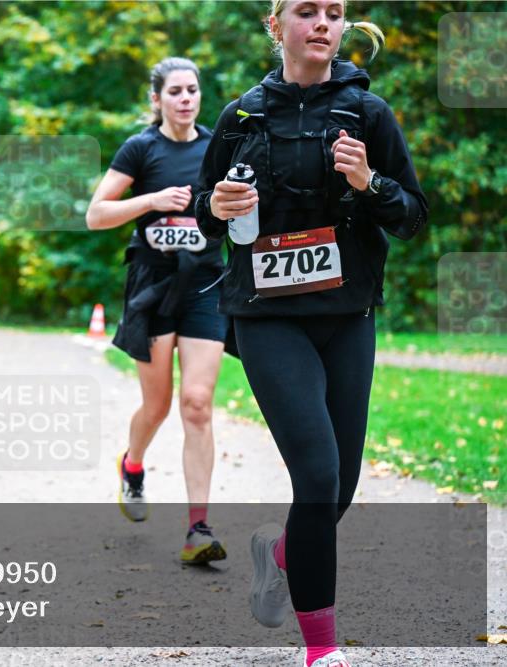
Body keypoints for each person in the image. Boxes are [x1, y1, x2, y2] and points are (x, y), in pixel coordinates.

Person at [194, 2, 427, 665]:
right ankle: (322, 651)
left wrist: (368, 182)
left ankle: (281, 554)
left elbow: (413, 217)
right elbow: (204, 216)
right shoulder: (241, 117)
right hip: (267, 317)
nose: (323, 23)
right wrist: (216, 206)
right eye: (307, 11)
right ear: (277, 26)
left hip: (347, 316)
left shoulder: (369, 115)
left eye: (334, 12)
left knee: (338, 489)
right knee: (318, 474)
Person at [86, 57, 230, 564]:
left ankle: (198, 529)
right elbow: (96, 214)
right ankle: (132, 464)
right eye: (175, 91)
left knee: (197, 403)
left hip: (205, 282)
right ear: (157, 99)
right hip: (153, 285)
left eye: (192, 90)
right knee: (158, 406)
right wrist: (151, 201)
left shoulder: (217, 147)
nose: (186, 99)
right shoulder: (141, 148)